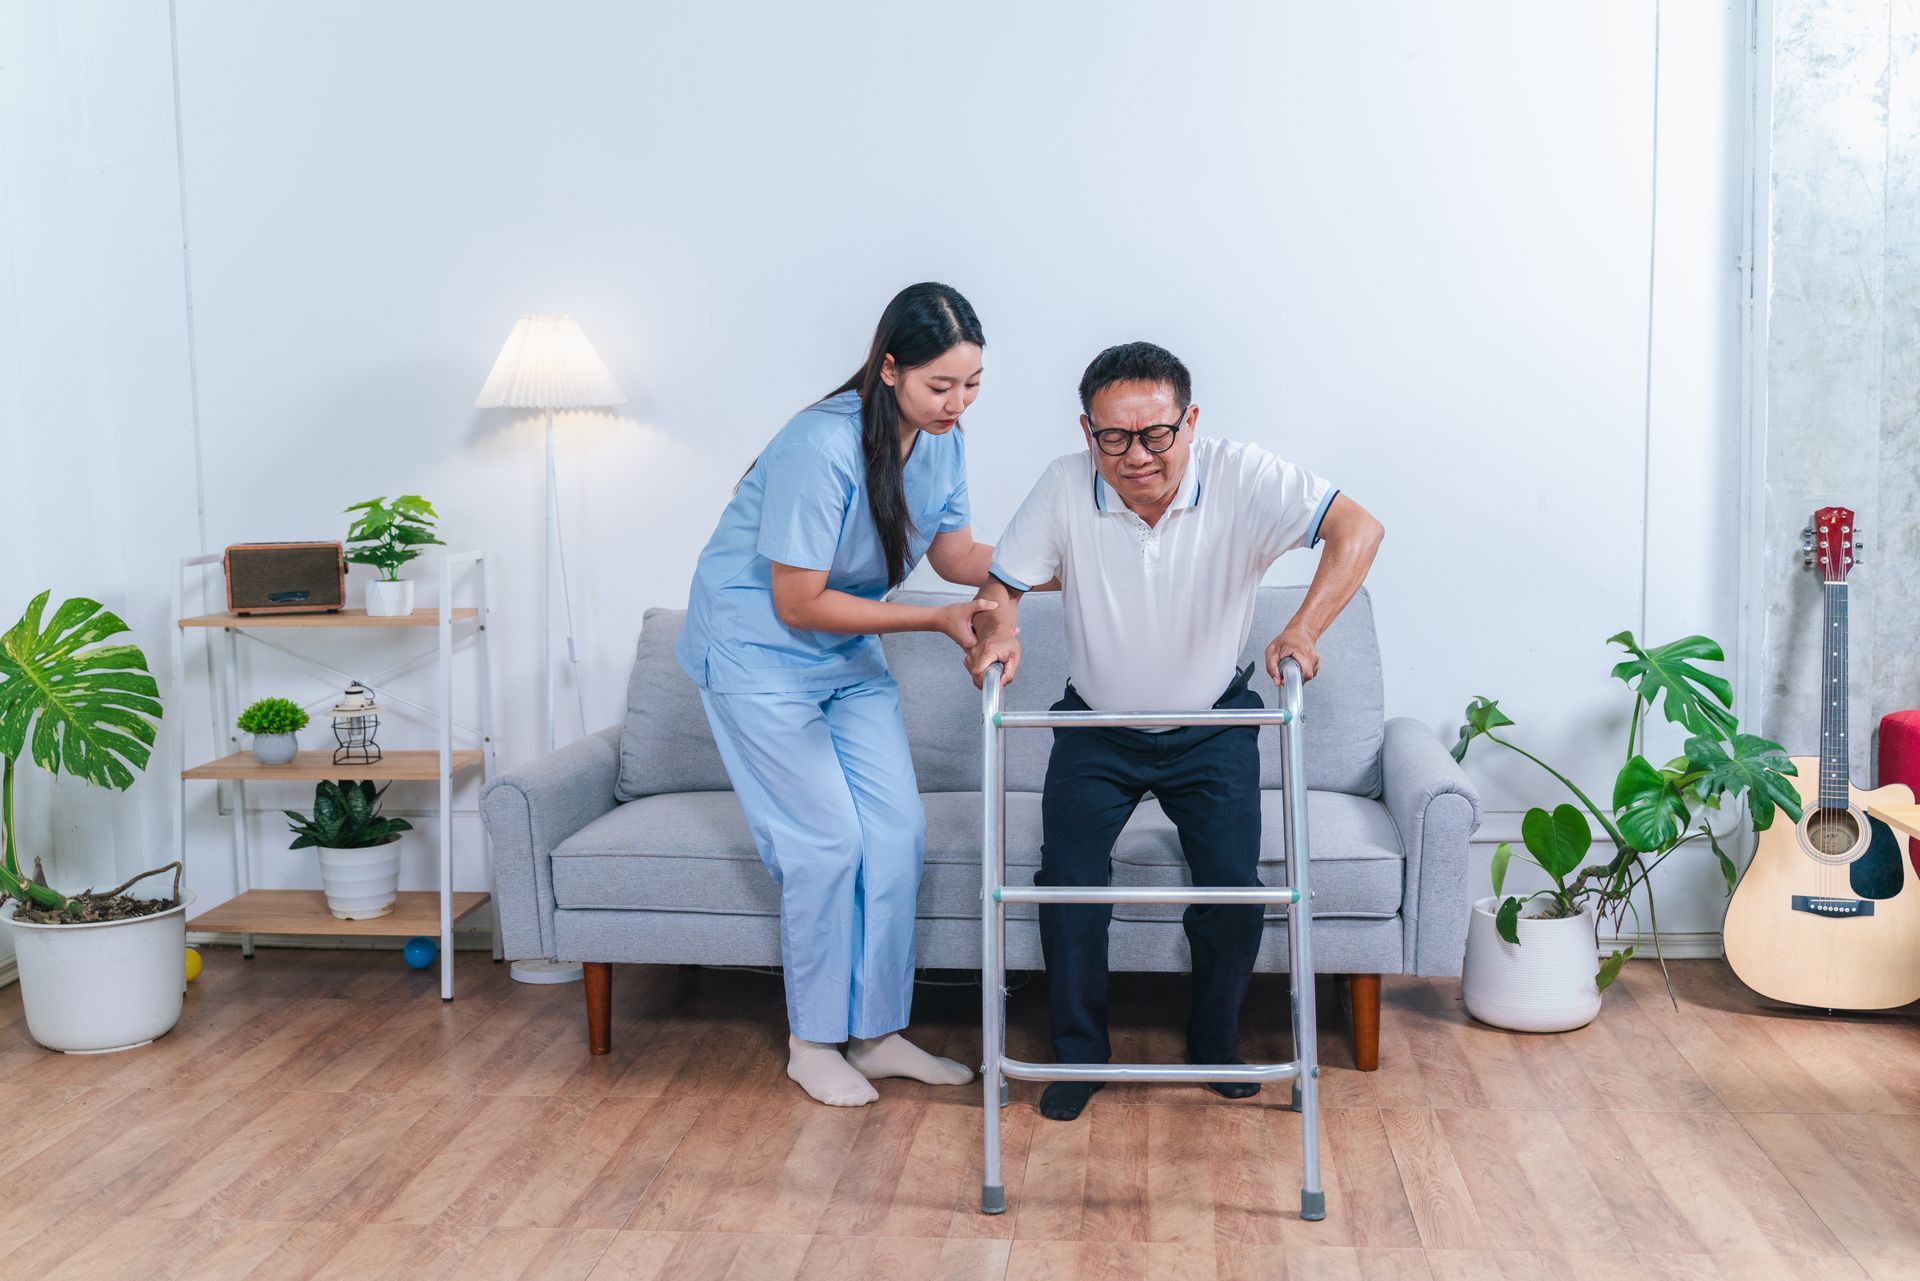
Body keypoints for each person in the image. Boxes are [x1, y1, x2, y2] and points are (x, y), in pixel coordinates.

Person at [965, 341, 1384, 1121]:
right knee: (1069, 884)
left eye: (1156, 434)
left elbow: (1358, 528)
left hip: (1212, 722)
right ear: (1086, 431)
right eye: (1113, 437)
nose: (1136, 456)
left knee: (1233, 890)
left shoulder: (1245, 475)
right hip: (1098, 725)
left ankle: (1214, 1040)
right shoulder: (1064, 484)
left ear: (1190, 421)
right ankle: (1080, 1055)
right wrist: (1001, 634)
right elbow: (1002, 587)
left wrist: (1303, 629)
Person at [675, 282, 1000, 1107]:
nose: (957, 403)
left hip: (843, 649)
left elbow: (957, 556)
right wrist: (932, 625)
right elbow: (796, 601)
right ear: (889, 367)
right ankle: (812, 1041)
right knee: (826, 845)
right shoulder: (816, 448)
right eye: (940, 386)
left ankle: (877, 1032)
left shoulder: (942, 439)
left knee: (895, 833)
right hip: (759, 653)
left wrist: (1065, 557)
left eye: (971, 385)